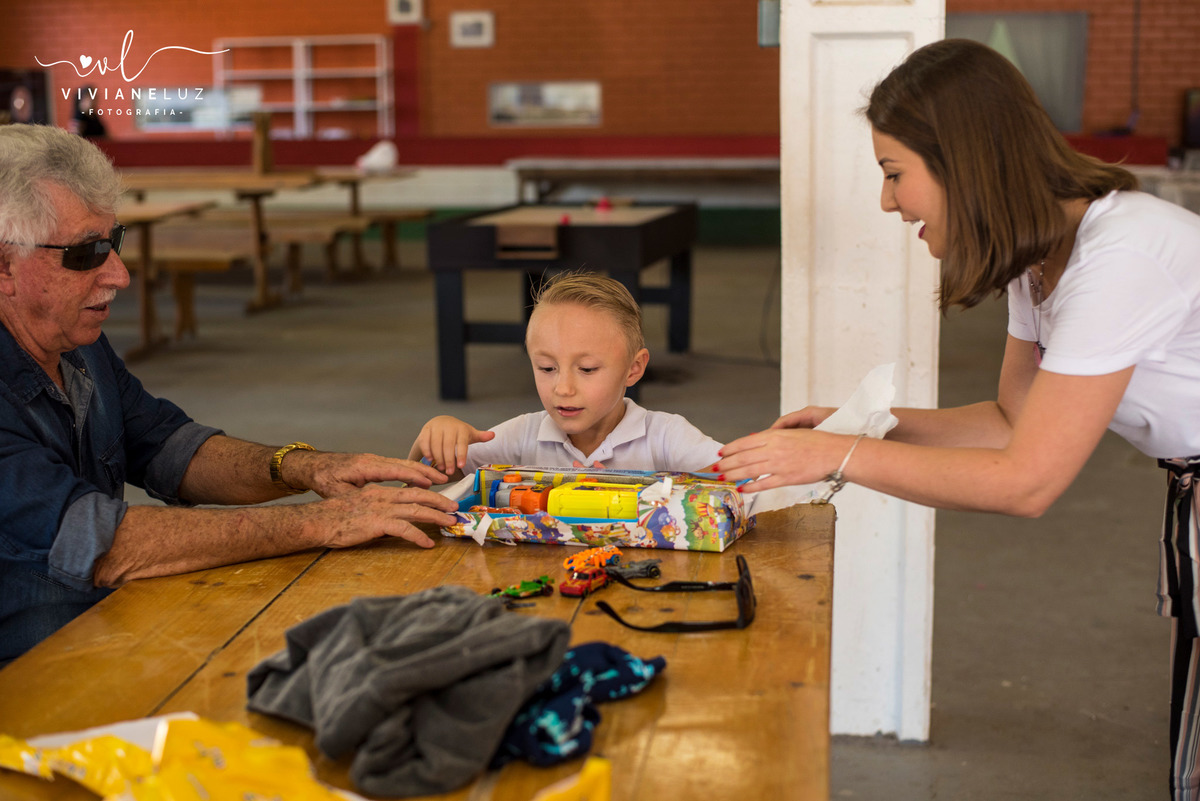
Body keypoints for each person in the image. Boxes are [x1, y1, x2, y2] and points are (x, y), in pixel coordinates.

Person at [715, 38, 1200, 798]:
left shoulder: (1121, 255)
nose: (887, 201)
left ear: (964, 161)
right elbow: (1013, 420)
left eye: (894, 173)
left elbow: (1027, 480)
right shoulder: (1040, 258)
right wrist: (868, 425)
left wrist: (837, 458)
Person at [0, 124, 458, 666]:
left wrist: (304, 468)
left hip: (97, 629)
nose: (119, 275)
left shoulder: (75, 343)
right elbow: (104, 544)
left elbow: (168, 445)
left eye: (114, 243)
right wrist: (321, 522)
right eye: (86, 254)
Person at [409, 271, 721, 478]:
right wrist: (439, 435)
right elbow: (427, 474)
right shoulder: (522, 437)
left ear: (633, 369)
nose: (563, 388)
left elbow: (736, 478)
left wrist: (766, 455)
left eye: (587, 369)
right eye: (546, 368)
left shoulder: (665, 437)